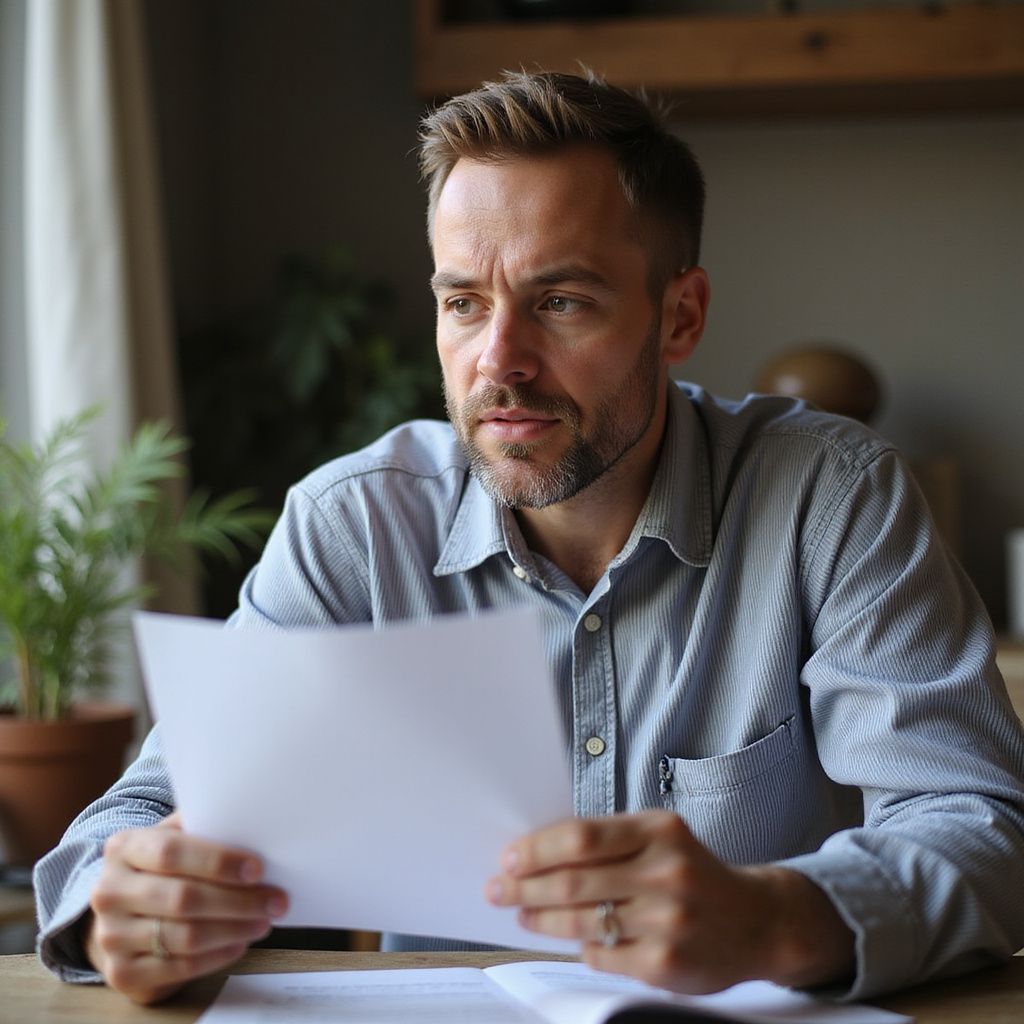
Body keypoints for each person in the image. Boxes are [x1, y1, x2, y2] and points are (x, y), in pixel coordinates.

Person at [34, 69, 1024, 1007]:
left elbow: (982, 830)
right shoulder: (355, 531)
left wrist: (775, 916)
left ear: (678, 316)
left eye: (559, 301)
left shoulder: (831, 500)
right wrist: (121, 910)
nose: (497, 361)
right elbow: (137, 817)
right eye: (463, 302)